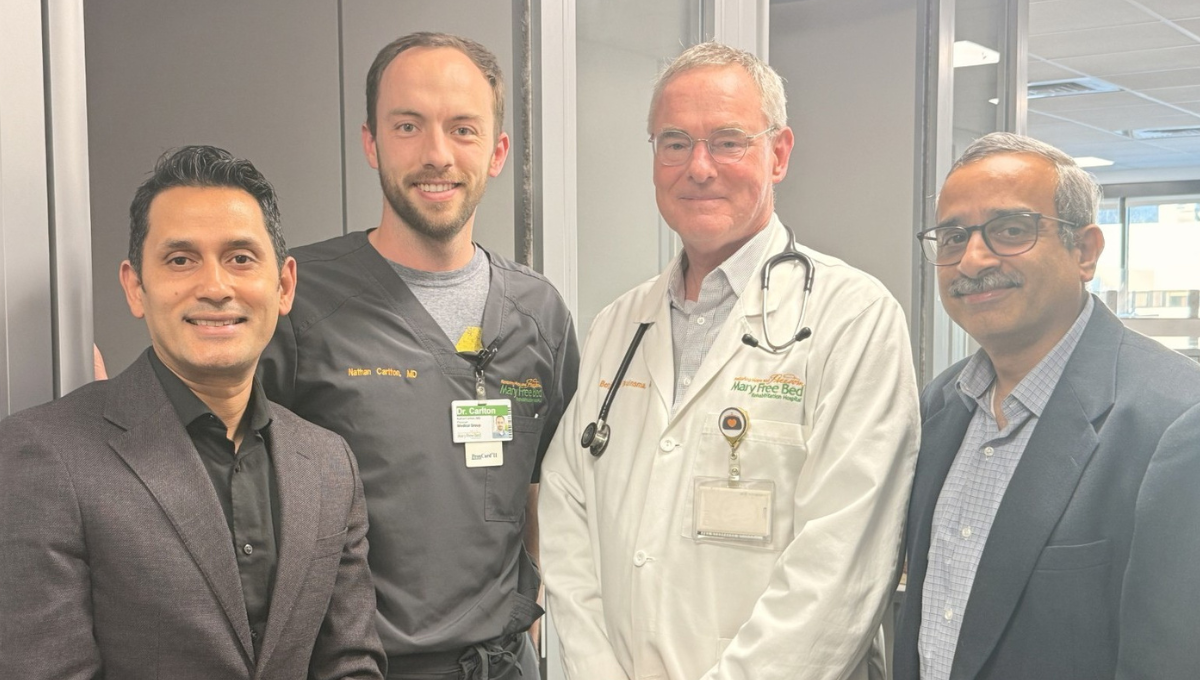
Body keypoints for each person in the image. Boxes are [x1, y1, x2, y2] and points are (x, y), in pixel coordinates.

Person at [537, 42, 920, 680]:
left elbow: (841, 566)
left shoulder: (853, 317)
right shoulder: (618, 325)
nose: (700, 166)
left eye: (730, 141)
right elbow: (565, 509)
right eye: (675, 141)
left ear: (780, 153)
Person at [259, 32, 579, 680]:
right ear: (372, 141)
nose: (437, 154)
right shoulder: (296, 301)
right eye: (409, 126)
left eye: (463, 129)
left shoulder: (538, 313)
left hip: (504, 665)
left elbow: (550, 492)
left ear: (497, 152)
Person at [0, 145, 386, 680]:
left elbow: (351, 663)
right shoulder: (45, 455)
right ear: (136, 287)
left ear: (284, 286)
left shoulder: (328, 463)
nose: (214, 287)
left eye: (240, 258)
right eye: (181, 260)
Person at [894, 132, 1200, 680]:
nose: (973, 259)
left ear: (1084, 252)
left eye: (1011, 230)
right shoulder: (941, 404)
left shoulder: (1177, 423)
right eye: (952, 237)